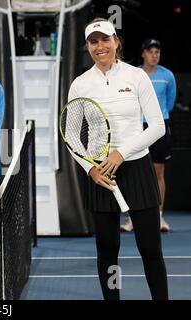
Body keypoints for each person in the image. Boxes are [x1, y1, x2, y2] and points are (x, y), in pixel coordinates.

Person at [67, 18, 168, 300]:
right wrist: (90, 169)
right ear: (87, 47)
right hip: (102, 176)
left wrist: (121, 153)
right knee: (108, 251)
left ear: (116, 42)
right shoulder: (80, 85)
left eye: (105, 40)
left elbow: (158, 126)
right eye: (93, 42)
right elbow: (72, 135)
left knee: (150, 250)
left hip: (137, 170)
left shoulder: (137, 77)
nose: (100, 47)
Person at [121, 39, 176, 233]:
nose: (154, 55)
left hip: (159, 126)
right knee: (132, 171)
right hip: (136, 127)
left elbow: (169, 103)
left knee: (158, 172)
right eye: (151, 51)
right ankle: (131, 218)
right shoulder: (133, 74)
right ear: (143, 53)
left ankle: (159, 218)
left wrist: (156, 119)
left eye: (157, 52)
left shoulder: (168, 76)